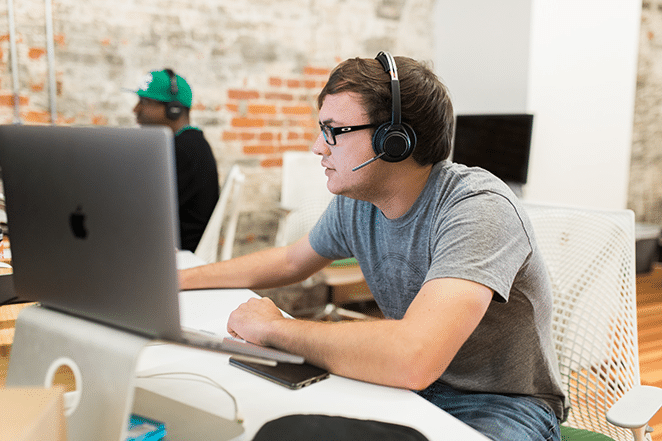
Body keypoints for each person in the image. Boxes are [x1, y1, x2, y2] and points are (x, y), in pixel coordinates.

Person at [179, 53, 565, 441]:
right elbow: (289, 260)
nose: (318, 147)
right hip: (408, 388)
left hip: (501, 404)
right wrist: (176, 279)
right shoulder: (358, 202)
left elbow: (414, 356)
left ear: (394, 141)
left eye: (334, 131)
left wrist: (275, 328)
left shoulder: (478, 208)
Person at [133, 68, 219, 252]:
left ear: (174, 109)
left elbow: (147, 210)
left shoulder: (184, 149)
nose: (136, 110)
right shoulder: (189, 143)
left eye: (144, 101)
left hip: (177, 252)